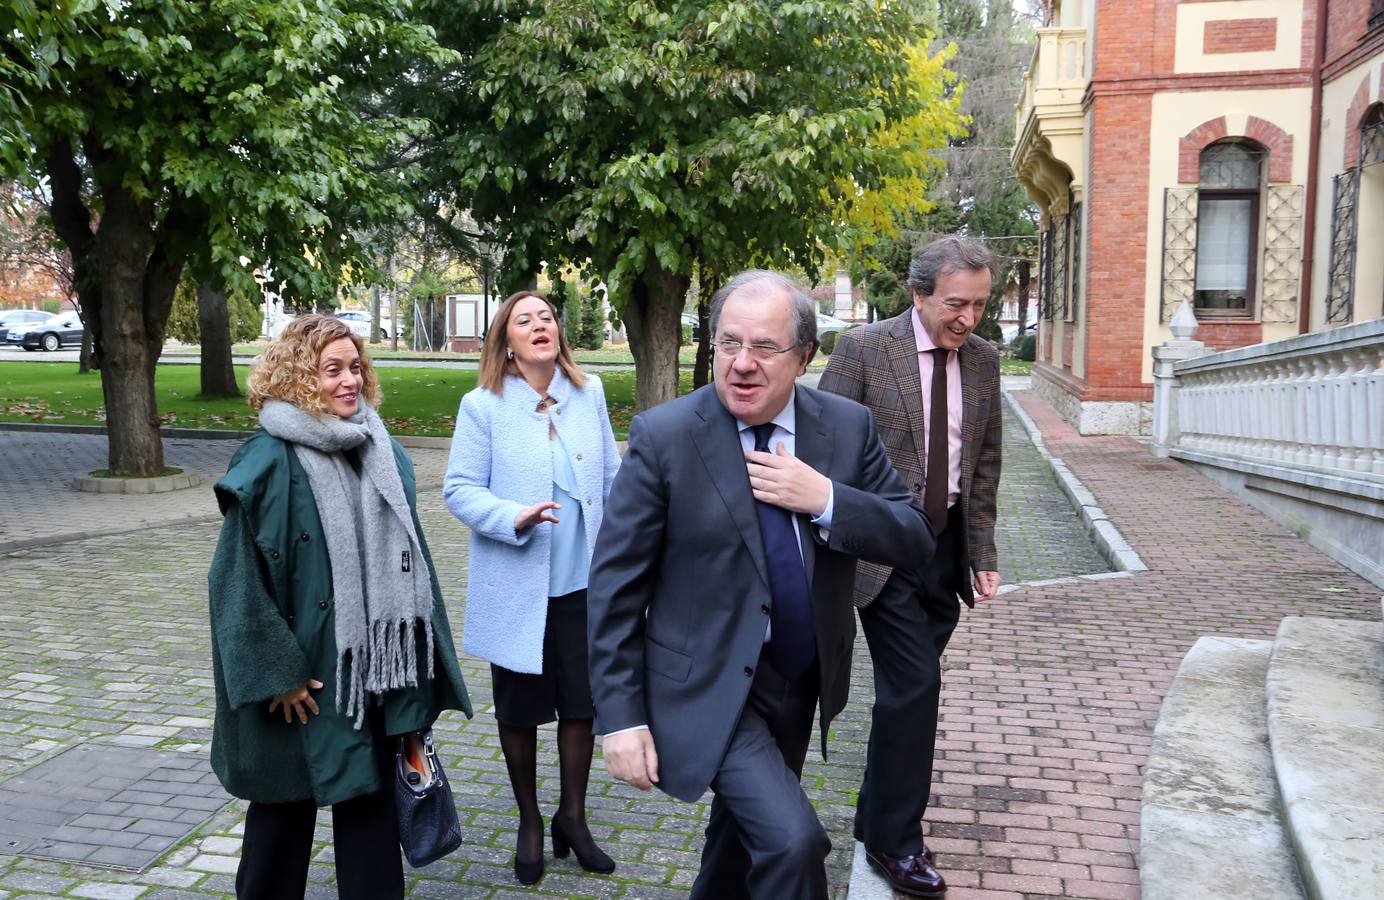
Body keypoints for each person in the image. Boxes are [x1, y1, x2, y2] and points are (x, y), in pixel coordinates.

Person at [587, 270, 934, 899]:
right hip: (708, 681)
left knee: (736, 848)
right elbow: (614, 588)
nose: (742, 364)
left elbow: (913, 536)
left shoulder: (846, 428)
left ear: (803, 356)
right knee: (793, 842)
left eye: (765, 348)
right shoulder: (666, 437)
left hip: (798, 680)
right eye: (728, 343)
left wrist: (827, 498)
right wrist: (620, 718)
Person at [207, 314, 472, 900]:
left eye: (355, 367)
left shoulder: (381, 450)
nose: (349, 380)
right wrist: (279, 673)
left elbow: (416, 562)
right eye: (332, 370)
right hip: (303, 685)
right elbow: (234, 581)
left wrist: (412, 666)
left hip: (371, 672)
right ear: (301, 377)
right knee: (282, 818)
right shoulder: (268, 460)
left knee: (370, 816)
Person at [818, 235, 1003, 898]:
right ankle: (897, 845)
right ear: (918, 293)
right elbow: (822, 447)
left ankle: (876, 813)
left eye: (980, 305)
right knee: (916, 687)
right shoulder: (865, 351)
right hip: (880, 552)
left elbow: (982, 469)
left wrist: (981, 552)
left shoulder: (983, 362)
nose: (969, 318)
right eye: (957, 303)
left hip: (943, 554)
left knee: (904, 699)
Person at [443, 290, 621, 884]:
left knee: (582, 704)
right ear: (506, 341)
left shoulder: (588, 392)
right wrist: (512, 516)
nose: (539, 325)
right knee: (519, 711)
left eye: (546, 317)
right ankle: (529, 821)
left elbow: (612, 479)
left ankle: (572, 815)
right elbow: (459, 489)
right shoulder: (483, 406)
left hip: (584, 581)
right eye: (524, 320)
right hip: (518, 583)